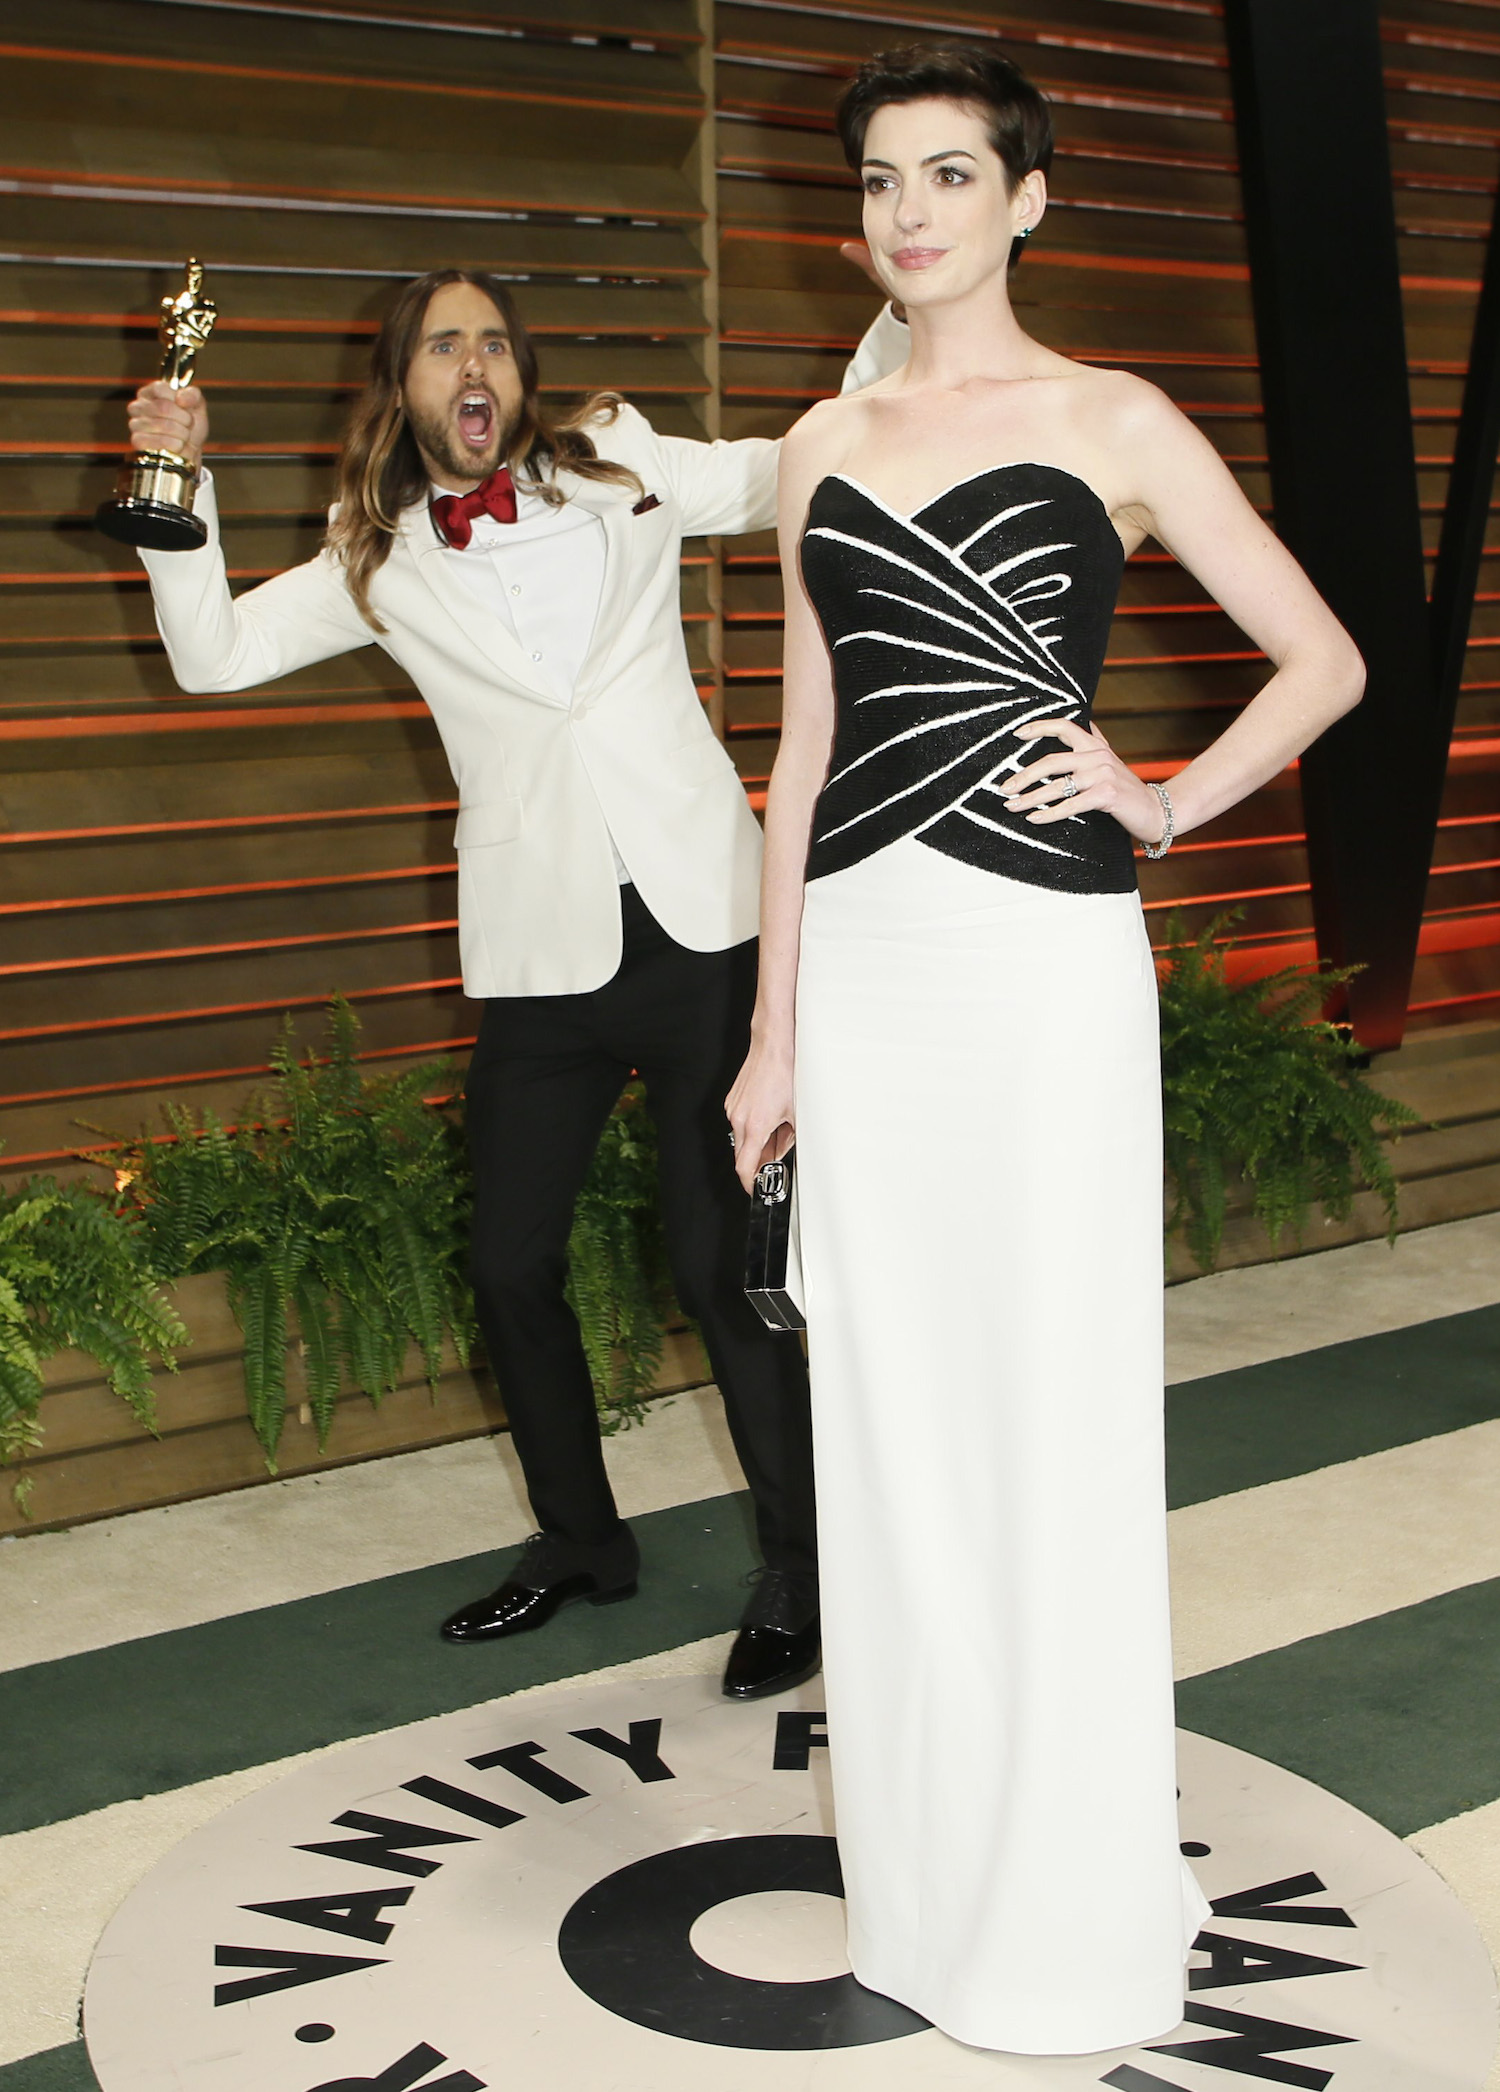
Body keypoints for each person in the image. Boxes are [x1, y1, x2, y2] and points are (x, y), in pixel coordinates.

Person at [726, 42, 1364, 2055]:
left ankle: (1071, 1901)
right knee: (892, 1435)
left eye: (951, 173)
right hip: (878, 973)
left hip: (1042, 962)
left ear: (1028, 199)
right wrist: (775, 1033)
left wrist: (1165, 797)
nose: (911, 210)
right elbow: (806, 753)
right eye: (884, 182)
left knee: (1052, 1419)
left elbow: (1327, 657)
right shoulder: (817, 446)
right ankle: (924, 1893)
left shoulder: (1116, 416)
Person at [126, 268, 905, 1702]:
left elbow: (815, 452)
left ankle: (801, 1566)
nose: (471, 364)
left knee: (711, 1262)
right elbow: (210, 654)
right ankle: (581, 1540)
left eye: (492, 340)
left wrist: (917, 317)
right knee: (507, 1264)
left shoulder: (626, 467)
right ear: (405, 386)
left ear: (520, 371)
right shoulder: (377, 558)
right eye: (442, 346)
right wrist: (176, 478)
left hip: (705, 936)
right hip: (541, 966)